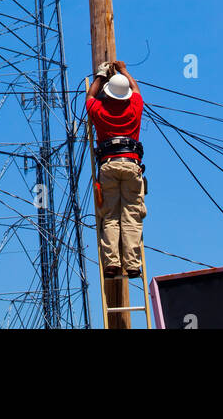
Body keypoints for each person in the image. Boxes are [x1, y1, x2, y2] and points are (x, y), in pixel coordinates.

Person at [86, 59, 146, 279]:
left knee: (110, 216)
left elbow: (90, 96)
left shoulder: (99, 110)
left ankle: (112, 263)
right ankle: (132, 265)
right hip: (131, 164)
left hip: (108, 165)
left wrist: (100, 76)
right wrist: (123, 70)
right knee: (131, 215)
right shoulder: (134, 107)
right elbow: (136, 89)